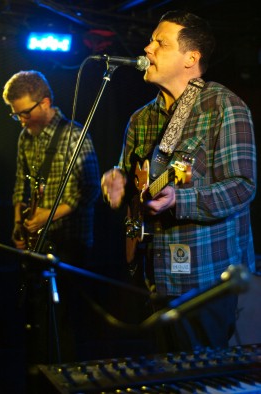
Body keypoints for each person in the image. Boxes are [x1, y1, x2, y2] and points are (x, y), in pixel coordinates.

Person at [101, 10, 257, 353]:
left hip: (205, 279)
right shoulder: (140, 119)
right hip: (151, 274)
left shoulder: (223, 106)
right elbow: (131, 183)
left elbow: (243, 186)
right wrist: (118, 184)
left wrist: (179, 200)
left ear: (191, 58)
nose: (148, 48)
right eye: (151, 40)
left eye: (161, 42)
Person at [2, 70, 101, 363]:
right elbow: (20, 184)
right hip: (36, 242)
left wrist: (48, 216)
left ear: (45, 102)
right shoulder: (24, 137)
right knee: (36, 319)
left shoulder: (74, 135)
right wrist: (18, 226)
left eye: (25, 113)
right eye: (15, 114)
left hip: (70, 242)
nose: (21, 120)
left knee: (65, 322)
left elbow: (91, 191)